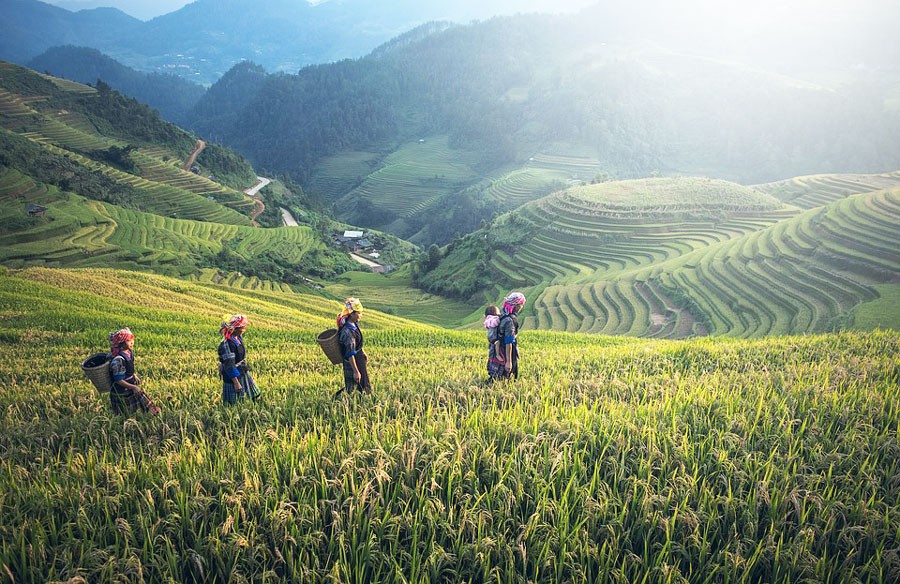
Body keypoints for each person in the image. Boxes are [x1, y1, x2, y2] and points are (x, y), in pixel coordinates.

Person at [108, 328, 160, 415]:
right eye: (128, 340)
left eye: (132, 339)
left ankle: (152, 413)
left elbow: (128, 368)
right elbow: (119, 380)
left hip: (130, 384)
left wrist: (134, 375)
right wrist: (133, 387)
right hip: (121, 389)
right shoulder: (118, 360)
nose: (132, 342)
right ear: (121, 344)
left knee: (139, 402)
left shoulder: (129, 352)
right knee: (125, 411)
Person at [218, 314, 260, 405]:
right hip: (233, 375)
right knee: (233, 402)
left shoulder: (237, 338)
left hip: (242, 370)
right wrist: (236, 382)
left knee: (255, 395)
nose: (244, 330)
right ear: (235, 329)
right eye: (242, 328)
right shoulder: (227, 344)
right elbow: (229, 365)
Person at [334, 297, 371, 398]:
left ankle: (360, 402)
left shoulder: (354, 324)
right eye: (359, 313)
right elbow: (350, 353)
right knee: (352, 386)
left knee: (363, 384)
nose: (361, 315)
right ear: (352, 314)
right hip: (352, 362)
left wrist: (362, 352)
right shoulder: (347, 332)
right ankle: (340, 401)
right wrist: (356, 371)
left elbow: (357, 345)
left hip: (359, 358)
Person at [491, 292, 526, 381]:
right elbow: (509, 341)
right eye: (521, 305)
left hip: (497, 349)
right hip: (506, 350)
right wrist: (509, 362)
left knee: (496, 374)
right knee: (507, 377)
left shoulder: (502, 314)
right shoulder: (510, 321)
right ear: (517, 306)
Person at [484, 305, 505, 380]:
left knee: (492, 355)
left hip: (491, 339)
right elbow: (498, 321)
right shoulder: (495, 319)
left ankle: (492, 373)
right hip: (495, 339)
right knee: (497, 348)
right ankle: (498, 355)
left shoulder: (488, 320)